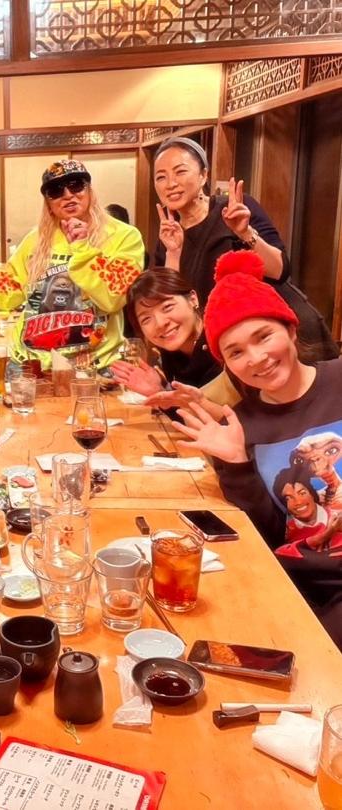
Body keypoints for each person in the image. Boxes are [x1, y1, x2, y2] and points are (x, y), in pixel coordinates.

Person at [171, 250, 342, 647]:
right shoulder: (241, 425)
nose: (257, 359)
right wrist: (235, 465)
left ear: (291, 329)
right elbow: (270, 533)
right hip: (297, 584)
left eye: (264, 336)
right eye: (235, 352)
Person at [0, 159, 144, 371]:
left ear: (89, 189)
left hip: (95, 368)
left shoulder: (124, 236)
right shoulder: (36, 240)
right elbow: (5, 290)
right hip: (31, 366)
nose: (68, 194)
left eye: (76, 185)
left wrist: (82, 248)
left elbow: (114, 297)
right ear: (48, 202)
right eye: (56, 191)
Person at [152, 136, 337, 358]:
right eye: (161, 177)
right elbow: (171, 302)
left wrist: (244, 232)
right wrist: (173, 252)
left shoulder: (236, 208)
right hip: (229, 345)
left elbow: (279, 270)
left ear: (203, 175)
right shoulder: (168, 235)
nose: (170, 184)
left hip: (279, 334)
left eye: (180, 172)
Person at [110, 267, 224, 397]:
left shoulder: (222, 343)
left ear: (193, 299)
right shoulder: (170, 351)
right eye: (146, 319)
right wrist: (159, 392)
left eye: (167, 307)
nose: (160, 323)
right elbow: (188, 407)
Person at [272, 464, 342, 557]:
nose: (298, 502)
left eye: (302, 493)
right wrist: (325, 535)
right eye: (289, 498)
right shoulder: (287, 533)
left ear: (311, 493)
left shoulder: (337, 515)